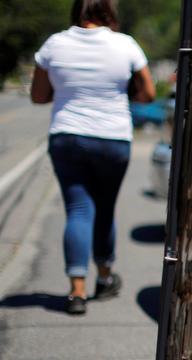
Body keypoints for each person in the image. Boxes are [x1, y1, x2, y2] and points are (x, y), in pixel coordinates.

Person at [30, 0, 155, 315]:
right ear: (108, 11)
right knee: (104, 208)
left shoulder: (55, 44)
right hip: (113, 138)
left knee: (78, 209)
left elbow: (38, 96)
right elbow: (147, 93)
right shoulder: (125, 45)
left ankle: (77, 290)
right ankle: (105, 275)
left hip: (68, 135)